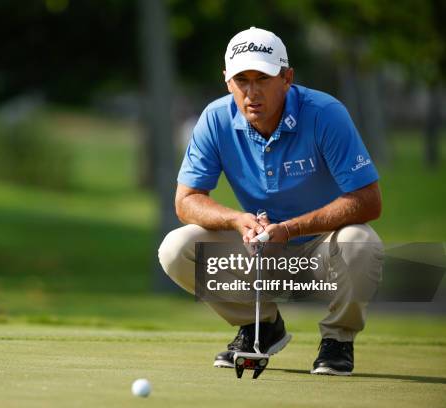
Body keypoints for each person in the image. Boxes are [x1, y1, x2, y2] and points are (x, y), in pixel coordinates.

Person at [158, 27, 384, 376]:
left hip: (322, 256)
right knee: (177, 247)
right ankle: (260, 326)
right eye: (241, 80)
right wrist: (236, 220)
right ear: (226, 81)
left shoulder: (325, 113)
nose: (251, 92)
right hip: (258, 253)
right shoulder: (215, 119)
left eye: (262, 78)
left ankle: (338, 340)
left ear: (286, 77)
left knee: (361, 241)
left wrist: (292, 229)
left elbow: (369, 201)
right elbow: (186, 201)